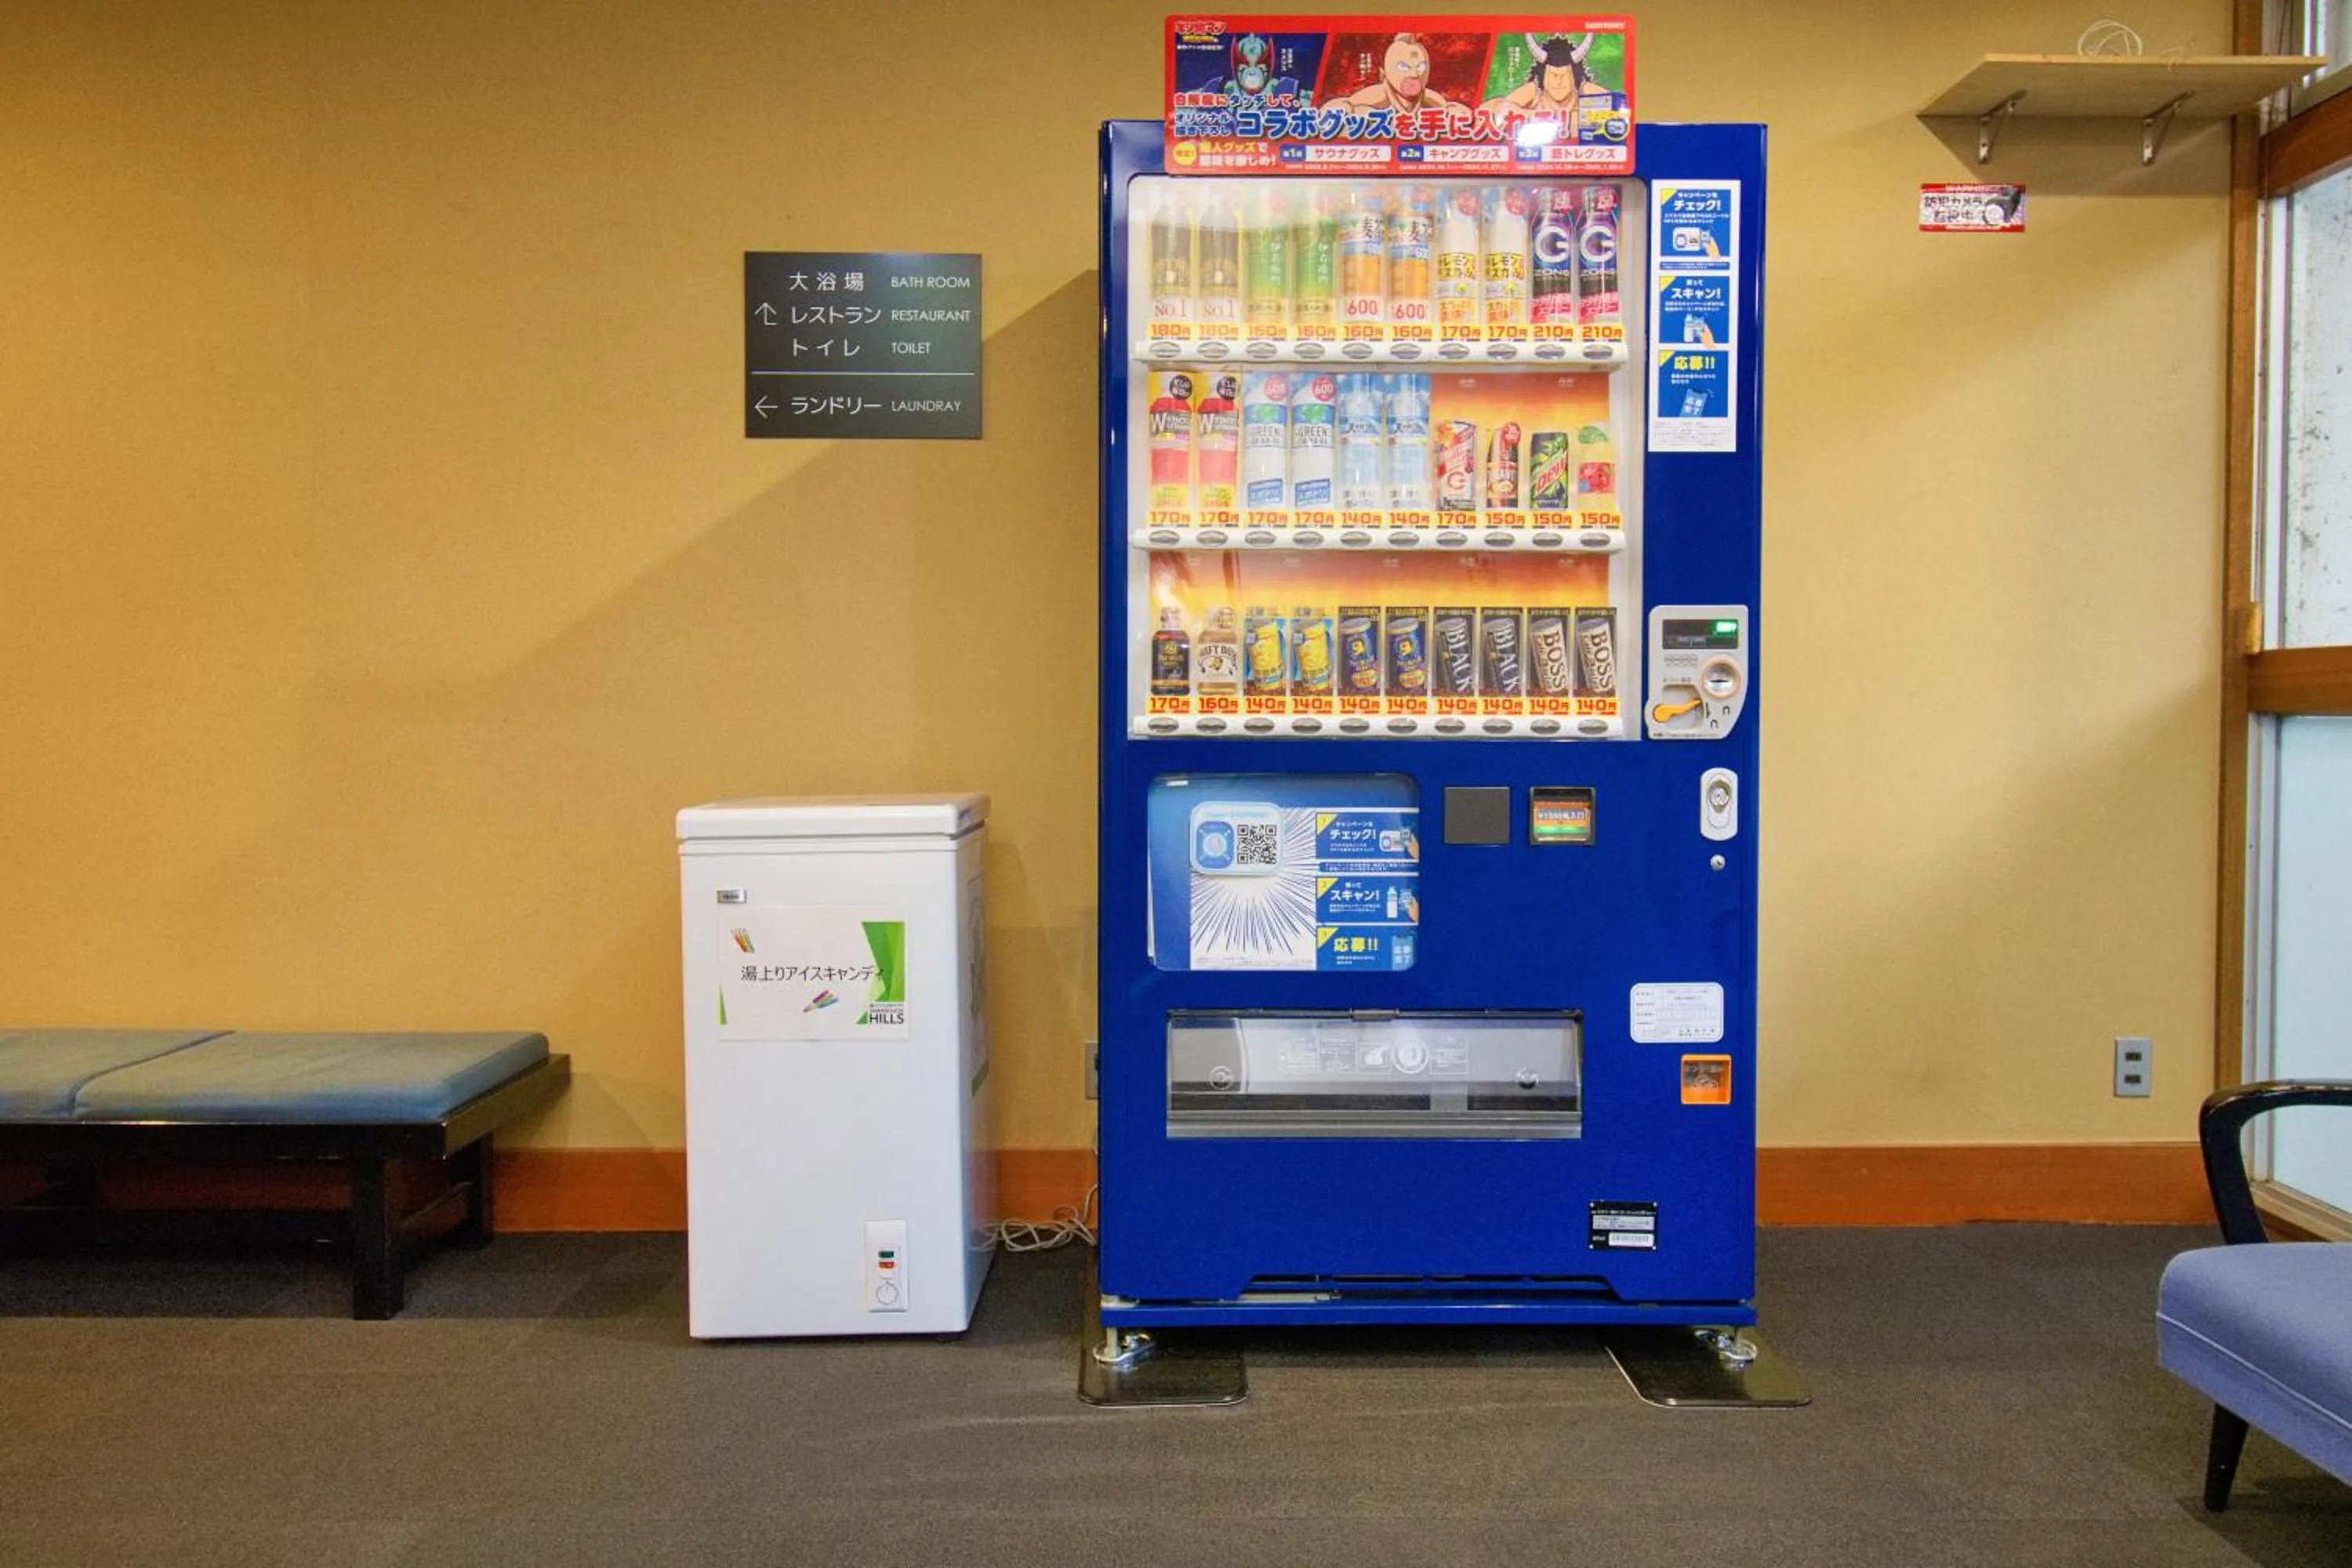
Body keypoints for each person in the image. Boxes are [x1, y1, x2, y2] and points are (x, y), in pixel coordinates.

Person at [1481, 33, 1624, 130]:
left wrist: (1534, 117)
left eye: (1565, 74)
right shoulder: (1533, 92)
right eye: (1553, 74)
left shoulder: (1586, 91)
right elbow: (1497, 112)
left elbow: (1619, 113)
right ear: (1543, 76)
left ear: (1575, 76)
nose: (1558, 82)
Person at [1324, 34, 1453, 114]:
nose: (1414, 74)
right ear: (1384, 71)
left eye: (1420, 67)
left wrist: (1455, 111)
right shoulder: (1381, 93)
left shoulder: (1427, 96)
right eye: (1403, 67)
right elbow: (1347, 103)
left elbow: (1448, 107)